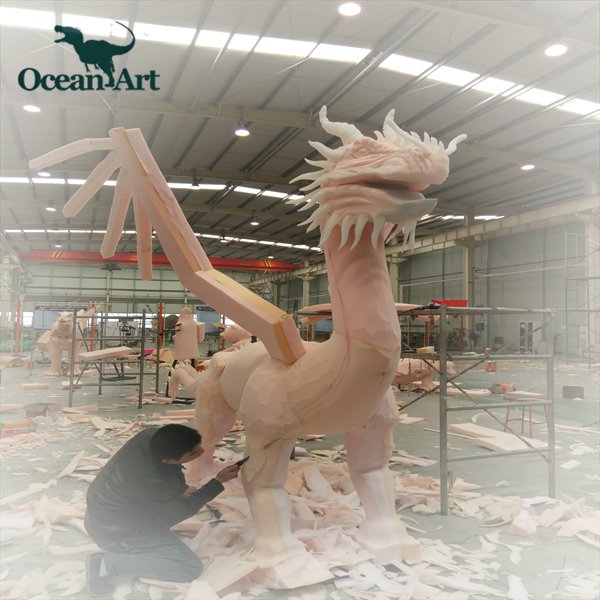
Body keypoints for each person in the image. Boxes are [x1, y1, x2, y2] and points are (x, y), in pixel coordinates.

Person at [84, 424, 240, 595]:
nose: (201, 452)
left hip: (103, 511)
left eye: (199, 445)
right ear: (168, 460)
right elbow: (180, 511)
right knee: (188, 567)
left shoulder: (150, 437)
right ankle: (106, 564)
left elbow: (162, 485)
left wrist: (179, 489)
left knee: (173, 500)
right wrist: (217, 482)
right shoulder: (158, 483)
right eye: (194, 453)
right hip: (118, 532)